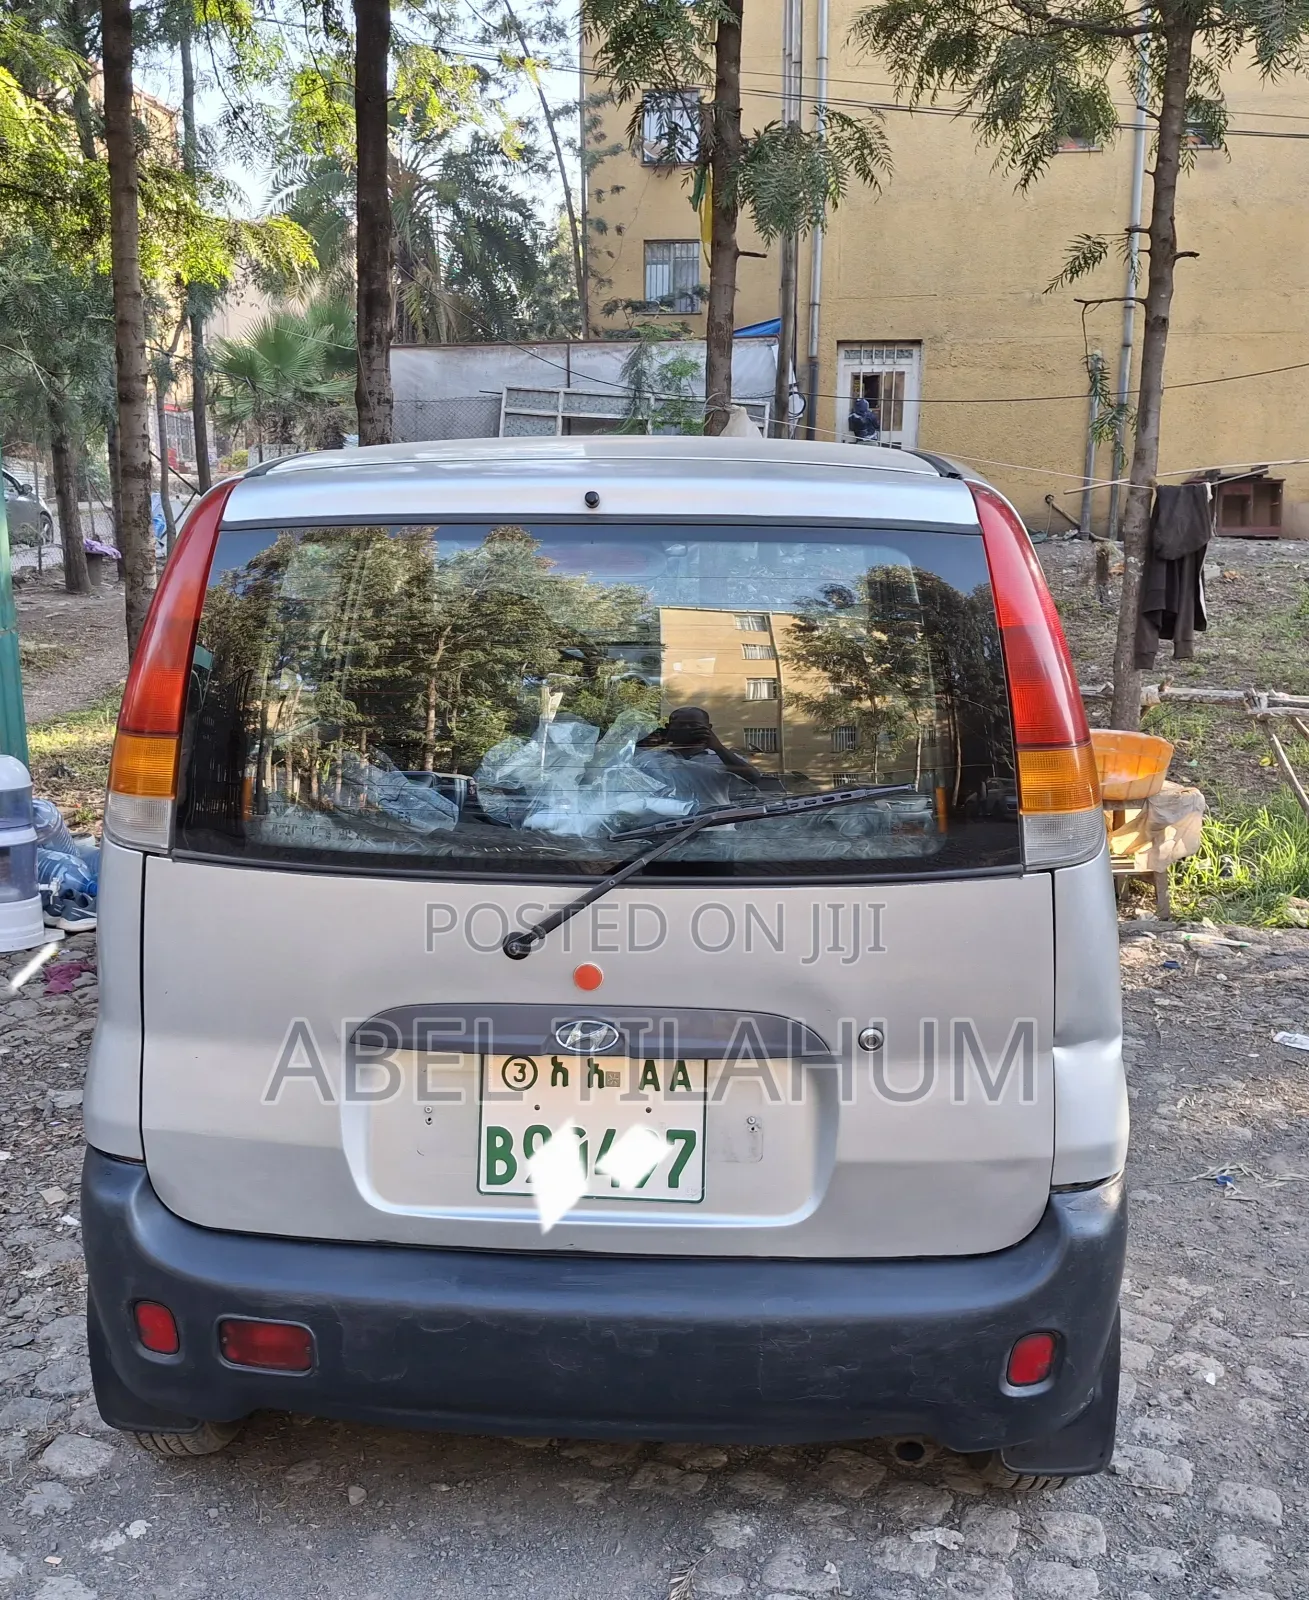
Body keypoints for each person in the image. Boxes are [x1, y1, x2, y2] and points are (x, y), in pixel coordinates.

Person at [636, 707, 765, 789]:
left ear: (708, 728)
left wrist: (719, 748)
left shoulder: (722, 758)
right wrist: (646, 744)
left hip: (714, 822)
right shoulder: (653, 758)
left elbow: (753, 778)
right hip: (667, 823)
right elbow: (627, 774)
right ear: (669, 728)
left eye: (694, 725)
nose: (687, 729)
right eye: (680, 725)